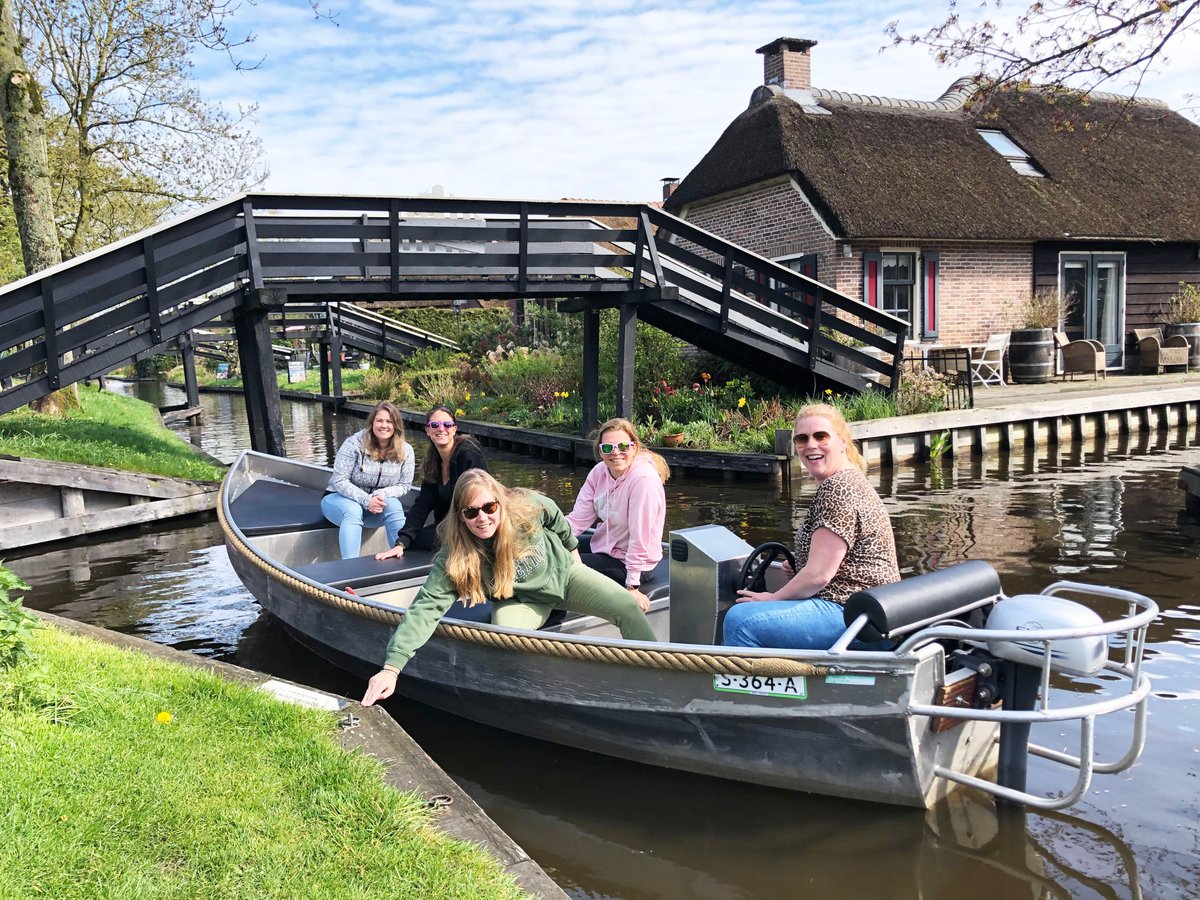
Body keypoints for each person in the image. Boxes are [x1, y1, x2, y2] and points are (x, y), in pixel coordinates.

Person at [360, 469, 657, 705]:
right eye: (471, 512)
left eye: (489, 507)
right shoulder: (457, 554)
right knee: (505, 637)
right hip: (521, 600)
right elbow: (426, 607)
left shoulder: (527, 505)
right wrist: (392, 667)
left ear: (500, 502)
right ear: (461, 516)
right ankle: (546, 698)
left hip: (565, 578)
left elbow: (557, 519)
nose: (482, 517)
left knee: (627, 607)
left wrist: (573, 557)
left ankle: (656, 677)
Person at [722, 402, 900, 650]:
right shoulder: (851, 481)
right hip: (869, 610)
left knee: (741, 621)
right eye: (802, 439)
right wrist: (801, 562)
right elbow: (840, 560)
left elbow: (818, 576)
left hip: (853, 614)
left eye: (821, 436)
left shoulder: (837, 489)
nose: (811, 445)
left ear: (842, 442)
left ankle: (761, 688)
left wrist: (773, 598)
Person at [566, 417, 669, 614]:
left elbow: (640, 538)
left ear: (634, 447)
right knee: (556, 547)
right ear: (600, 450)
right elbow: (577, 520)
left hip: (632, 564)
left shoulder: (643, 480)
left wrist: (632, 587)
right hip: (607, 544)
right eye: (608, 448)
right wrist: (543, 537)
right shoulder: (599, 472)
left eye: (623, 446)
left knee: (563, 565)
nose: (616, 453)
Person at [373, 405, 488, 559]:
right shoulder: (434, 462)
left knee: (428, 540)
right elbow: (422, 505)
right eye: (435, 425)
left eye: (447, 425)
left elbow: (479, 499)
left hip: (473, 524)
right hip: (449, 527)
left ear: (454, 429)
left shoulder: (469, 455)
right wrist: (401, 543)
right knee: (411, 542)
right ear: (427, 430)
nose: (441, 429)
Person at [320, 401, 414, 559]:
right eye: (380, 420)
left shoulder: (406, 450)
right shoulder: (353, 444)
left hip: (376, 505)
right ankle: (351, 569)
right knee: (353, 511)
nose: (384, 425)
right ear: (372, 423)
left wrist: (381, 495)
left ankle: (402, 556)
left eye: (389, 421)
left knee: (395, 505)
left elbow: (404, 485)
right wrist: (366, 500)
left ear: (396, 425)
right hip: (338, 499)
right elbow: (339, 480)